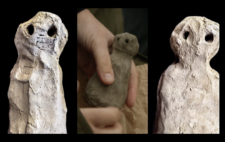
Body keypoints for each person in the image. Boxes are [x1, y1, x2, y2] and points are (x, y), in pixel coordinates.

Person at [77, 8, 139, 134]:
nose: (119, 39)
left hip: (100, 18)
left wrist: (80, 15)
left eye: (126, 41)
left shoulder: (121, 59)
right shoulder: (115, 57)